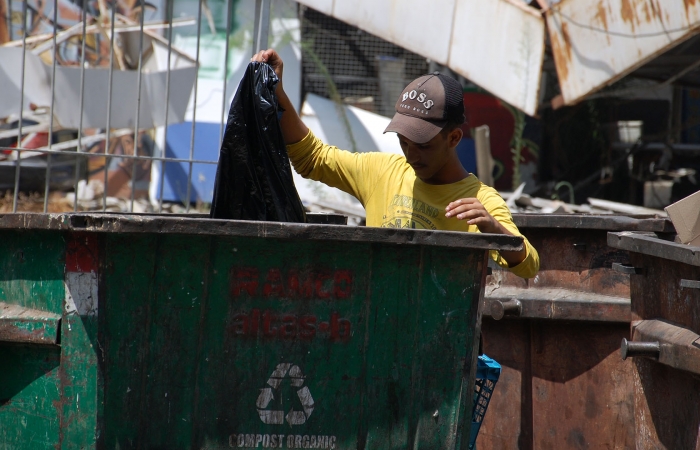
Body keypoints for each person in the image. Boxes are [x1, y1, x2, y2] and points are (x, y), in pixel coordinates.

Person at [252, 49, 539, 279]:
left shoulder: (479, 201)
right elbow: (312, 157)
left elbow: (529, 266)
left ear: (453, 138)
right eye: (404, 143)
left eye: (424, 146)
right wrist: (277, 91)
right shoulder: (382, 173)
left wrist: (492, 228)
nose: (412, 155)